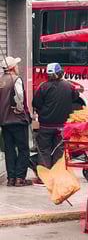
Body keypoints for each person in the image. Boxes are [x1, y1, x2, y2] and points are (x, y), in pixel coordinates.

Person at [32, 63, 79, 170]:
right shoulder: (69, 86)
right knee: (59, 149)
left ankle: (44, 176)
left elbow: (36, 103)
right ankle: (57, 173)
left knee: (44, 150)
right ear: (60, 73)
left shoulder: (43, 87)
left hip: (45, 126)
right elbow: (76, 97)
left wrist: (42, 113)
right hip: (62, 126)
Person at [0, 56, 32, 187]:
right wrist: (20, 110)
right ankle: (20, 178)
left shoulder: (0, 80)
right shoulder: (16, 80)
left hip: (4, 121)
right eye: (17, 65)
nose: (18, 67)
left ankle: (11, 178)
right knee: (24, 149)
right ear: (12, 68)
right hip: (17, 120)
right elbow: (19, 98)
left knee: (9, 150)